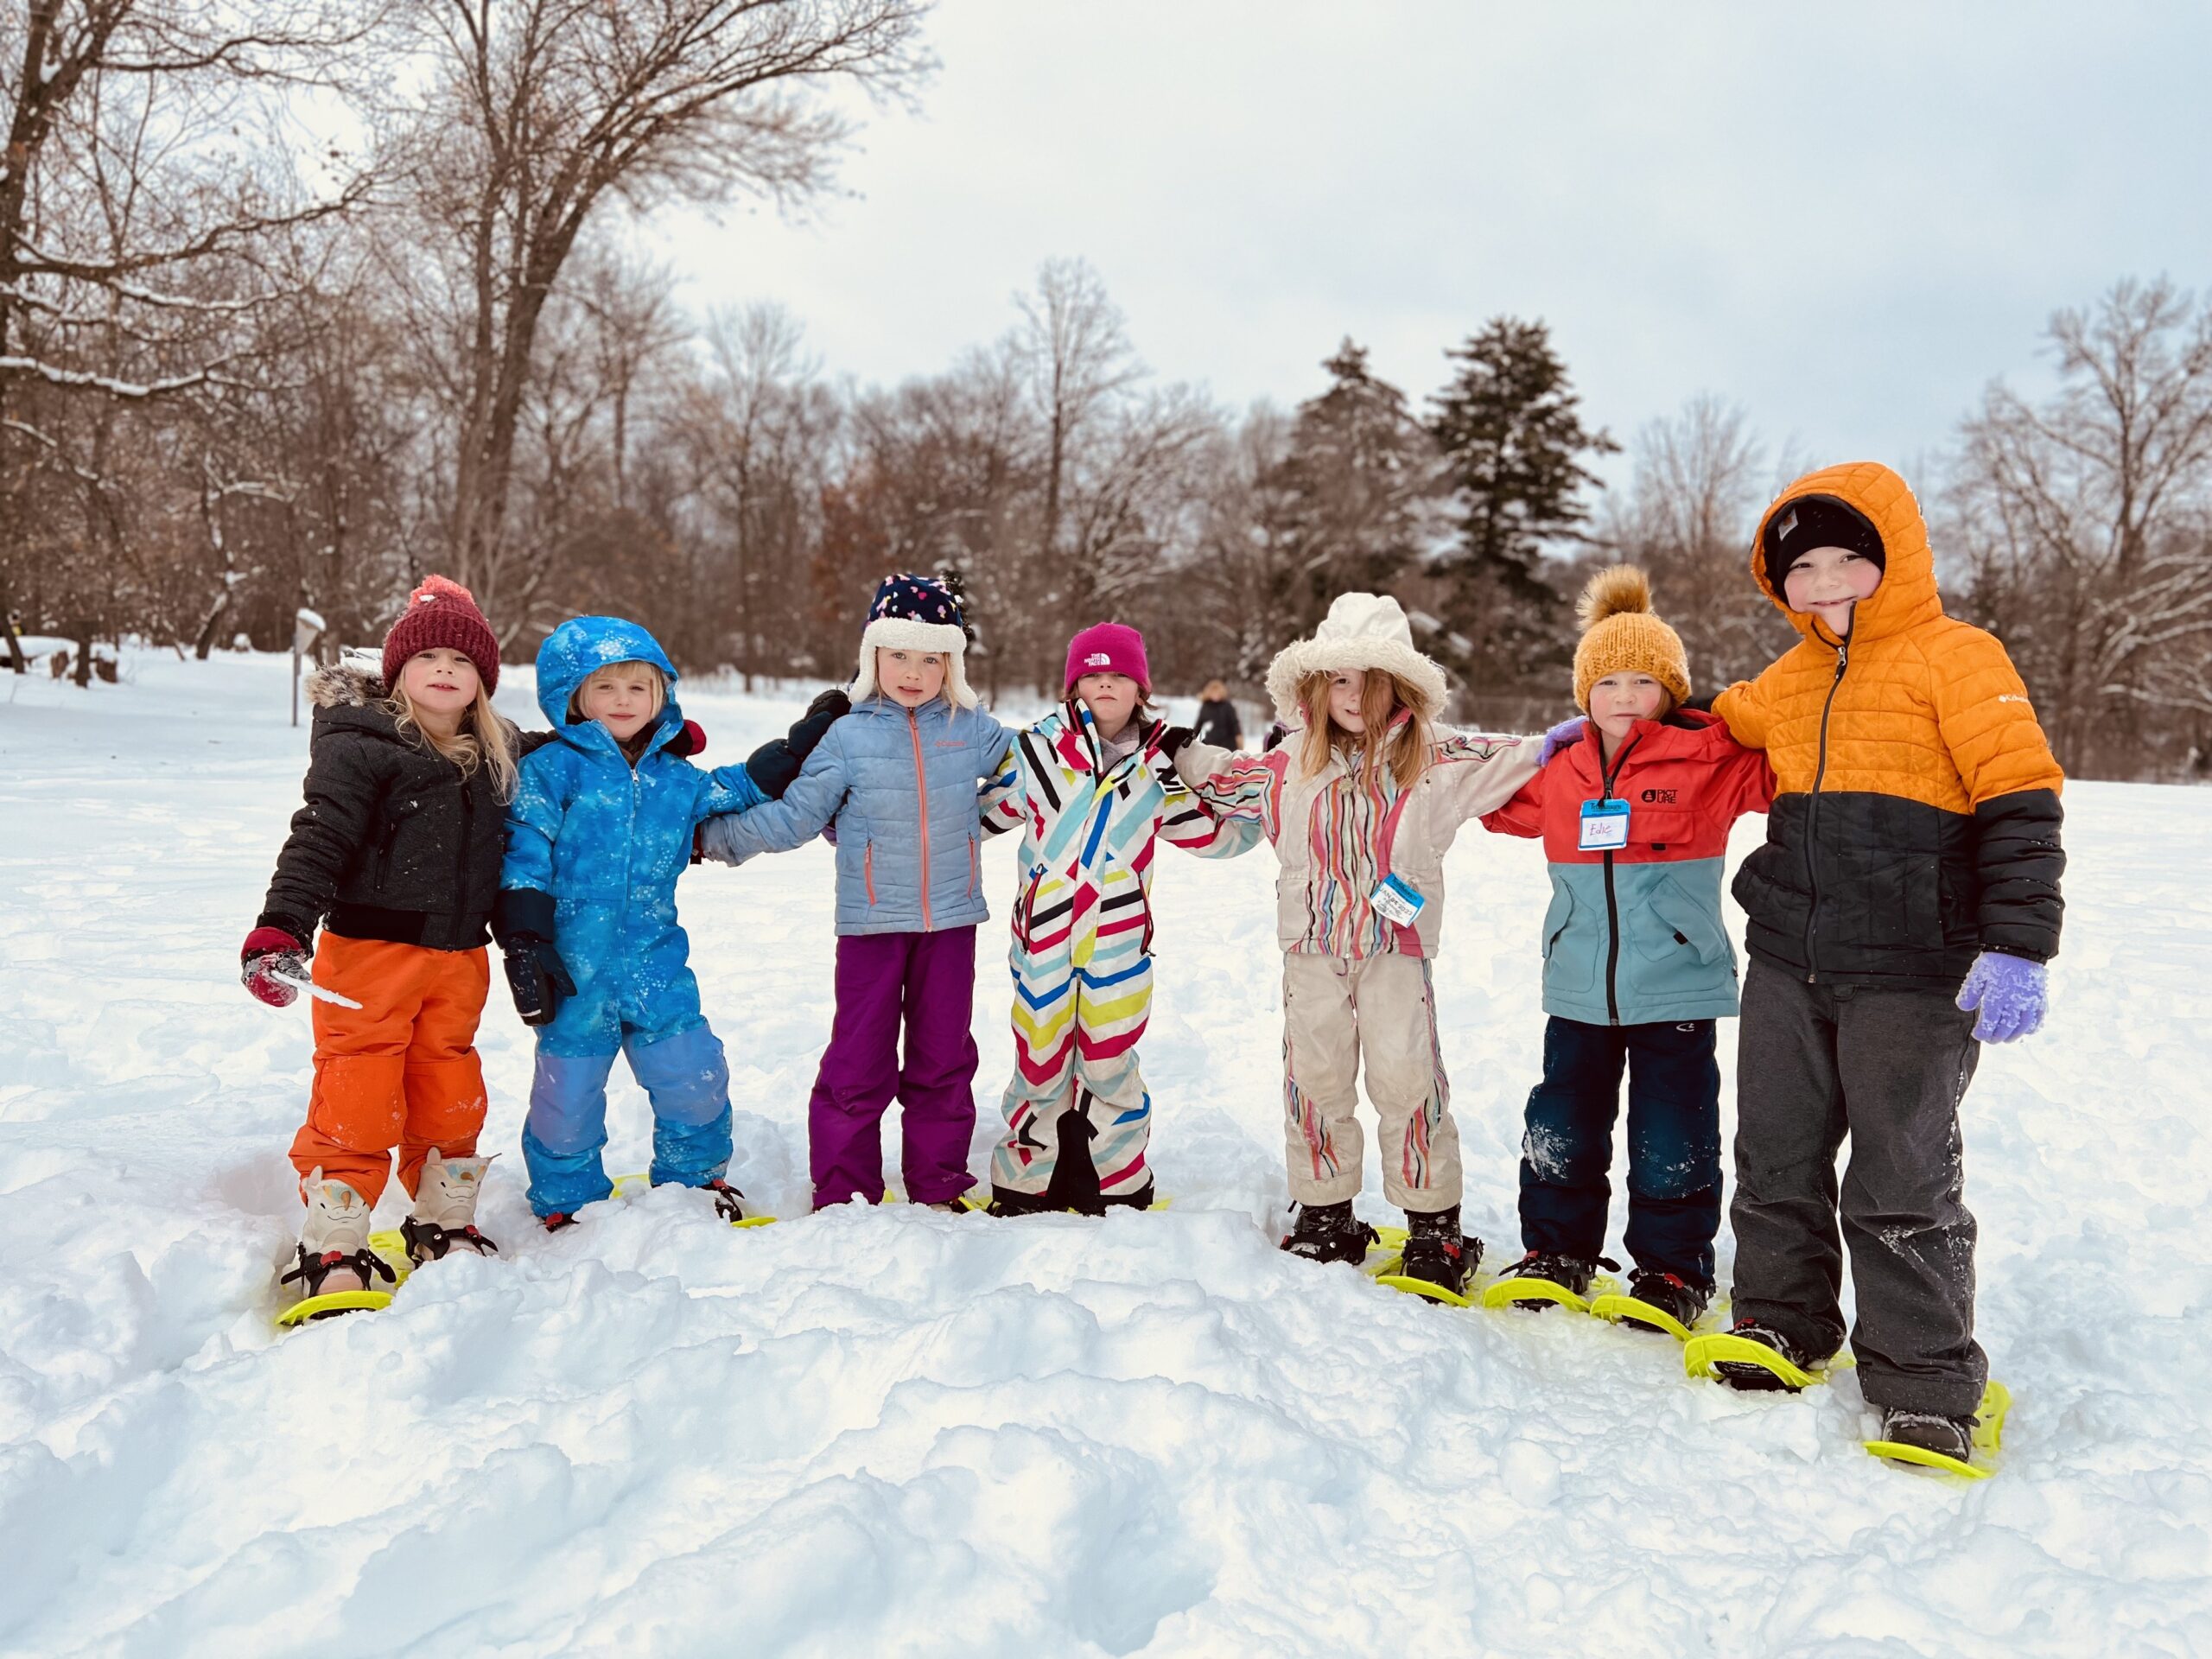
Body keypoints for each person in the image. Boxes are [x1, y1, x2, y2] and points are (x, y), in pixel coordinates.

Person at [1704, 462, 2065, 1465]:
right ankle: (1781, 1320)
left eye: (1845, 562)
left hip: (1913, 970)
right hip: (1786, 957)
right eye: (1802, 568)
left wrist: (2018, 943)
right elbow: (1722, 717)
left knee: (1900, 1176)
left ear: (1892, 561)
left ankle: (1926, 1379)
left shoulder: (1957, 657)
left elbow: (2021, 798)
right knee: (1774, 1153)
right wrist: (1624, 715)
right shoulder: (1791, 673)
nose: (1822, 584)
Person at [1173, 593, 1538, 1296]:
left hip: (1395, 949)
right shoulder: (1287, 768)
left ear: (1399, 687)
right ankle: (1324, 1207)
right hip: (1310, 948)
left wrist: (1608, 729)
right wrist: (1167, 748)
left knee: (1407, 1075)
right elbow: (1219, 774)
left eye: (1373, 679)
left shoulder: (1435, 761)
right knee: (1316, 1077)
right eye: (1341, 678)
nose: (1355, 695)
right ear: (1317, 685)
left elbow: (1526, 756)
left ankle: (1434, 1223)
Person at [1480, 567, 1773, 1332]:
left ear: (1671, 691)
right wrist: (1520, 754)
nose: (1622, 695)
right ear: (1583, 692)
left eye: (1643, 680)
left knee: (1672, 1130)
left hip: (1676, 983)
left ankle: (1673, 1269)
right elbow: (1488, 804)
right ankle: (1555, 1252)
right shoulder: (1564, 769)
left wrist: (1723, 717)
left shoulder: (1707, 761)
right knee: (1562, 1123)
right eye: (1605, 680)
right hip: (1577, 985)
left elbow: (1783, 766)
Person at [497, 616, 845, 1229]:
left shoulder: (673, 778)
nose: (624, 700)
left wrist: (796, 749)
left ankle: (696, 1177)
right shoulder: (552, 772)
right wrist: (526, 942)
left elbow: (732, 790)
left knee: (694, 1072)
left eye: (639, 687)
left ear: (663, 696)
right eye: (605, 688)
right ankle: (567, 1196)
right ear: (572, 698)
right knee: (566, 1094)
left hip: (655, 960)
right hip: (573, 966)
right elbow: (524, 855)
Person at [243, 576, 524, 1307]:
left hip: (461, 959)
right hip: (368, 956)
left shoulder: (497, 754)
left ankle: (442, 1215)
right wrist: (282, 925)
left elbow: (572, 762)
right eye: (427, 655)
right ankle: (334, 1234)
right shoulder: (364, 746)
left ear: (481, 683)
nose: (444, 670)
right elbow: (321, 837)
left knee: (450, 1084)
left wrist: (628, 741)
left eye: (462, 662)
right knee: (359, 1084)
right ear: (396, 670)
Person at [698, 573, 1016, 1211]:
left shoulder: (971, 728)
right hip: (872, 923)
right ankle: (845, 1186)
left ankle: (938, 1182)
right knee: (858, 1058)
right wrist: (711, 838)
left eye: (931, 658)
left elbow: (1037, 774)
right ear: (873, 654)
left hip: (952, 921)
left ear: (950, 664)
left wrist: (980, 817)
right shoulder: (848, 734)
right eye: (898, 653)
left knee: (944, 1058)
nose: (913, 671)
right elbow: (795, 816)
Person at [984, 623, 1260, 1215]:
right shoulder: (1036, 751)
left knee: (1110, 1056)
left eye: (1119, 677)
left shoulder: (1158, 767)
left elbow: (1213, 836)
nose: (1104, 686)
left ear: (1141, 687)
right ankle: (1027, 1175)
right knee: (1040, 1051)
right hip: (1043, 939)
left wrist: (1261, 811)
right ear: (1073, 685)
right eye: (1092, 675)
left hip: (1118, 939)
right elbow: (980, 813)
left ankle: (1116, 1174)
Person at [1192, 678, 1243, 749]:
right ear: (1209, 693)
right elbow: (1199, 723)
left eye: (1218, 693)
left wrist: (1239, 738)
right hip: (1211, 742)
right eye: (1213, 693)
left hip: (1227, 744)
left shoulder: (1227, 705)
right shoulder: (1206, 706)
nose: (1216, 695)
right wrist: (1192, 737)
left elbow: (1234, 723)